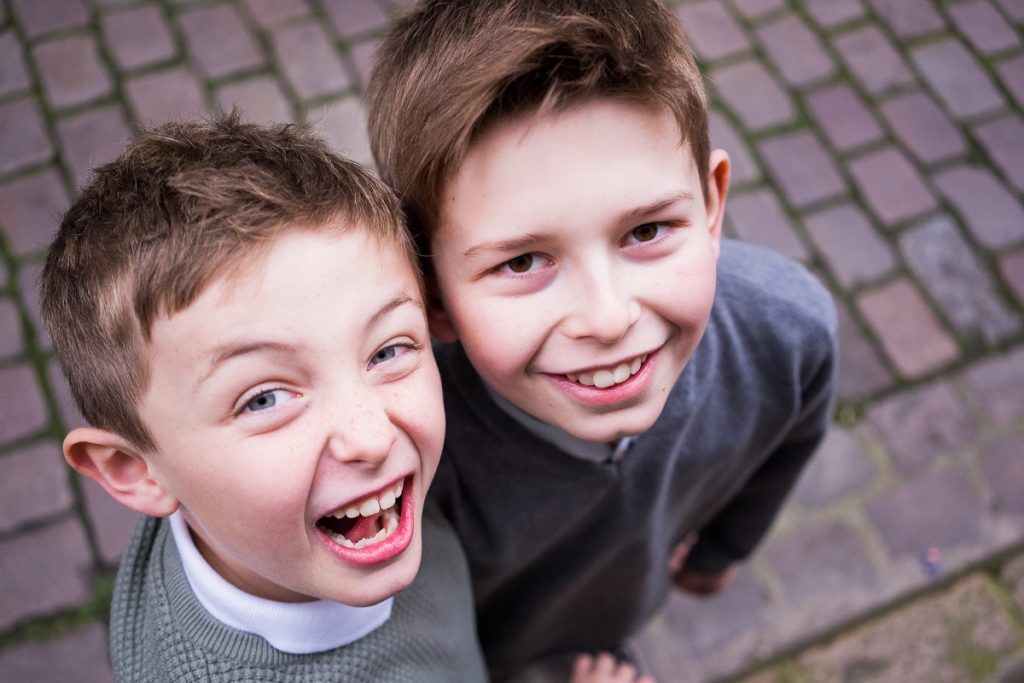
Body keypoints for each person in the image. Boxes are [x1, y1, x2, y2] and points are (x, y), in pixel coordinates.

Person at [366, 1, 839, 680]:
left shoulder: (787, 331)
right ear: (433, 294)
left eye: (646, 231)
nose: (608, 317)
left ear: (711, 205)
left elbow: (790, 441)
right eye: (523, 261)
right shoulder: (406, 446)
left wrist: (721, 552)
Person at [39, 114, 489, 682]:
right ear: (136, 469)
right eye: (264, 399)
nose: (372, 436)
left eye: (386, 351)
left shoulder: (329, 514)